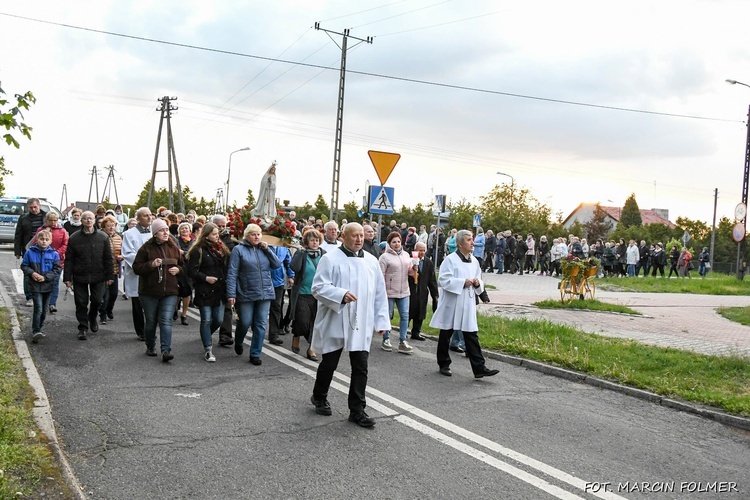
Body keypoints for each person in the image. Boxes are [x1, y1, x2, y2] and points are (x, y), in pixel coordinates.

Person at [309, 223, 390, 427]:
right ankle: (319, 396)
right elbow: (318, 288)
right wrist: (340, 295)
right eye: (354, 235)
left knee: (360, 366)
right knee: (330, 363)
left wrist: (381, 321)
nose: (359, 239)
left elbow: (380, 293)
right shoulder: (330, 259)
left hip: (361, 320)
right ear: (343, 236)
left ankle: (357, 409)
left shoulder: (371, 261)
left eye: (362, 235)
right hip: (336, 317)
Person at [430, 229, 499, 379]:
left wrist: (477, 284)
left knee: (471, 335)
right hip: (453, 302)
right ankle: (444, 363)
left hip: (467, 303)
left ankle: (479, 367)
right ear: (460, 244)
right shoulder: (450, 260)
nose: (472, 243)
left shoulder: (474, 260)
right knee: (446, 333)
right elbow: (444, 280)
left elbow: (479, 278)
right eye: (469, 240)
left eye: (472, 239)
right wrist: (462, 282)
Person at [227, 224, 281, 365]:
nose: (256, 237)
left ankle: (255, 353)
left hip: (265, 292)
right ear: (246, 236)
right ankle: (238, 341)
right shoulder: (238, 250)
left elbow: (276, 264)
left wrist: (267, 249)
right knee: (245, 322)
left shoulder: (265, 249)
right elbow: (232, 273)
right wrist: (231, 293)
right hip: (246, 291)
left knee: (261, 323)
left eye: (258, 234)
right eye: (253, 234)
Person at [133, 218, 184, 361]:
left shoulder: (174, 247)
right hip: (149, 292)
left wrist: (178, 270)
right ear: (155, 233)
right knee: (151, 321)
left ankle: (166, 351)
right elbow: (136, 268)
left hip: (170, 292)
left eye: (167, 230)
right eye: (162, 230)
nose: (165, 232)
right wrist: (151, 265)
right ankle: (150, 346)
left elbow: (184, 265)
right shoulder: (146, 248)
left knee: (166, 320)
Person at [63, 211, 115, 340]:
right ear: (81, 220)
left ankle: (92, 317)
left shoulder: (102, 237)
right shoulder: (74, 238)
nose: (88, 221)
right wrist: (67, 277)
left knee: (97, 300)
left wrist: (110, 275)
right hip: (80, 275)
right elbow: (69, 259)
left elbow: (108, 258)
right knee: (81, 302)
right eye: (85, 219)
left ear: (94, 220)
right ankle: (83, 327)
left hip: (99, 275)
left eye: (91, 218)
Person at [187, 222, 230, 363]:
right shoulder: (198, 250)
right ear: (206, 235)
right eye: (214, 234)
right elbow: (191, 271)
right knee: (206, 319)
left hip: (219, 290)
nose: (217, 236)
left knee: (218, 319)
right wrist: (205, 278)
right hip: (205, 289)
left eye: (218, 233)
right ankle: (208, 349)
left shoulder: (222, 248)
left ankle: (206, 335)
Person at [289, 229, 325, 360]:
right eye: (312, 240)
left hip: (318, 295)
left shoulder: (323, 254)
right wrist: (299, 253)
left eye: (316, 240)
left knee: (316, 323)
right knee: (303, 322)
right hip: (303, 293)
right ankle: (297, 335)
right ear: (306, 241)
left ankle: (311, 349)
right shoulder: (302, 253)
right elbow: (294, 268)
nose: (315, 243)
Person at [21, 229, 61, 343]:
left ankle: (40, 327)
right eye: (41, 239)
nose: (44, 241)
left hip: (48, 286)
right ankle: (36, 330)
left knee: (44, 310)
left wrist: (46, 277)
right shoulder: (30, 252)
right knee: (38, 308)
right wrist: (32, 273)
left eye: (46, 239)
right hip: (34, 285)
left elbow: (57, 269)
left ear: (50, 241)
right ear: (37, 240)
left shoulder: (54, 254)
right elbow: (24, 266)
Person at [378, 232, 414, 354]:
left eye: (398, 241)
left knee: (405, 315)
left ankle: (402, 341)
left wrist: (414, 268)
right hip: (388, 291)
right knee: (387, 315)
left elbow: (410, 272)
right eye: (394, 242)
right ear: (389, 244)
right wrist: (381, 290)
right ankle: (386, 339)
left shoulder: (406, 255)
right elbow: (381, 275)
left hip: (404, 290)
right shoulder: (384, 257)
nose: (397, 244)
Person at [121, 207, 154, 341]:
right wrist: (144, 263)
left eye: (150, 215)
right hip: (137, 273)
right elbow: (128, 253)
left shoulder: (155, 232)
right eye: (146, 216)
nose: (149, 218)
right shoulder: (129, 234)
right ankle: (141, 331)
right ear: (138, 218)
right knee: (138, 304)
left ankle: (151, 329)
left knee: (151, 304)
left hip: (153, 272)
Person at [31, 211, 68, 314]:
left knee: (55, 282)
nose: (53, 222)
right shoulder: (41, 230)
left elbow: (65, 244)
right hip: (42, 261)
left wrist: (56, 253)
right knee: (43, 281)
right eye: (50, 220)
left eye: (55, 220)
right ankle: (43, 302)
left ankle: (52, 304)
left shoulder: (62, 231)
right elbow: (35, 243)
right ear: (46, 220)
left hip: (57, 260)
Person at [14, 198, 46, 307]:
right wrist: (17, 251)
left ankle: (42, 296)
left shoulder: (46, 217)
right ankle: (29, 297)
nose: (33, 209)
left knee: (43, 272)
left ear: (39, 206)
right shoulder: (23, 218)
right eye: (31, 208)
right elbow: (18, 235)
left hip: (44, 249)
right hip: (29, 249)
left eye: (35, 207)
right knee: (28, 272)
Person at [408, 241, 438, 342]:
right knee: (408, 312)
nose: (422, 252)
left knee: (420, 312)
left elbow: (432, 279)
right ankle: (403, 331)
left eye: (424, 250)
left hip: (422, 291)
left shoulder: (428, 262)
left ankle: (416, 332)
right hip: (410, 291)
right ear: (415, 250)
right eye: (420, 250)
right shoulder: (409, 260)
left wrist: (435, 295)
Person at [267, 243, 294, 347]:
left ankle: (274, 334)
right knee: (261, 306)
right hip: (264, 280)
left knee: (276, 307)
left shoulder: (282, 246)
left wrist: (291, 275)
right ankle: (256, 329)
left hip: (278, 281)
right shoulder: (263, 244)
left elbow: (288, 261)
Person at [98, 216, 122, 325]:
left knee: (114, 294)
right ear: (103, 227)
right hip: (103, 270)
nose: (111, 228)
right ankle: (103, 314)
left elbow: (123, 250)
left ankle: (109, 309)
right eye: (108, 226)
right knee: (105, 294)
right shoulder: (100, 236)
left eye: (113, 225)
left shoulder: (118, 238)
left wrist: (122, 256)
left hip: (115, 269)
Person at [175, 222, 195, 325]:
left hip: (189, 269)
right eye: (182, 228)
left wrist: (183, 253)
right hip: (179, 267)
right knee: (178, 290)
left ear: (190, 230)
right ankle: (175, 308)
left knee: (187, 292)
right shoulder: (176, 241)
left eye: (186, 228)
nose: (184, 230)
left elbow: (193, 253)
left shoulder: (194, 241)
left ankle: (184, 314)